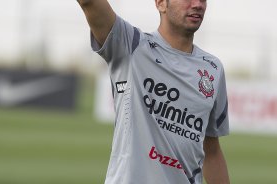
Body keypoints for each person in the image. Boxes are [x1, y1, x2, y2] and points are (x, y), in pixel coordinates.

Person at [76, 0, 230, 183]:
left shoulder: (213, 69)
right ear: (161, 3)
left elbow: (211, 152)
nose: (198, 4)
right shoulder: (130, 45)